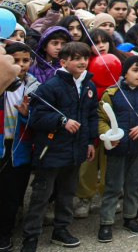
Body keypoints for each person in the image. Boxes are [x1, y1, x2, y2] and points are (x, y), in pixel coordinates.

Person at [21, 42, 98, 252]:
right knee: (41, 196)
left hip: (76, 150)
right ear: (63, 62)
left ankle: (61, 230)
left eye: (85, 58)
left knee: (67, 193)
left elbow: (91, 115)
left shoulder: (89, 85)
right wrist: (62, 121)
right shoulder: (50, 86)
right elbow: (36, 117)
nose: (82, 62)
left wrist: (90, 141)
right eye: (76, 58)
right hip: (51, 151)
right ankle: (30, 237)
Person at [96, 55, 138, 242]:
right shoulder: (111, 93)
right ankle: (106, 222)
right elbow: (101, 118)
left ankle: (130, 218)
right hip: (117, 148)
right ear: (125, 72)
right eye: (135, 70)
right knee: (113, 186)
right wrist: (109, 134)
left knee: (134, 184)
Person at [0, 42, 36, 251]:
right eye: (15, 60)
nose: (21, 65)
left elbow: (40, 118)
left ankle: (5, 232)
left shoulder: (34, 87)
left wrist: (26, 115)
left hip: (19, 146)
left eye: (25, 60)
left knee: (13, 193)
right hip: (2, 144)